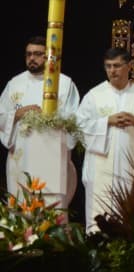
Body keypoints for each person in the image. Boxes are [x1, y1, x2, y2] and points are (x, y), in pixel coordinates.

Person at [76, 47, 134, 230]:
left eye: (117, 66)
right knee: (99, 215)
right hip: (100, 167)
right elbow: (80, 126)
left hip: (129, 168)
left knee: (128, 217)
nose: (112, 71)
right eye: (108, 66)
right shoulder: (94, 96)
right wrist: (107, 121)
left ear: (129, 66)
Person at [0, 36, 81, 201]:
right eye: (28, 54)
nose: (31, 58)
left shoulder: (64, 84)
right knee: (22, 207)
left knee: (50, 209)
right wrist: (17, 114)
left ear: (48, 56)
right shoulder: (14, 84)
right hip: (21, 158)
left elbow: (75, 120)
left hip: (51, 156)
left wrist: (49, 118)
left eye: (37, 54)